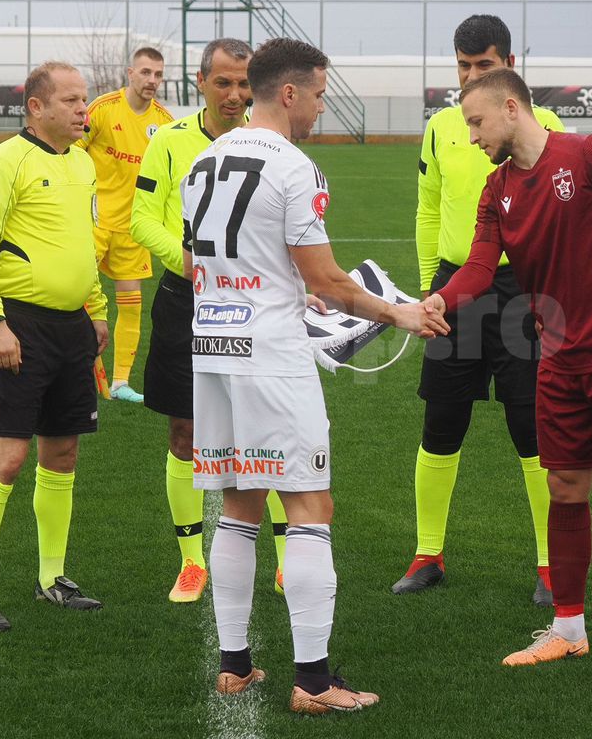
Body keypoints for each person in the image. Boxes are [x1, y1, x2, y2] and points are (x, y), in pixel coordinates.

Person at [183, 37, 446, 713]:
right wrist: (401, 312)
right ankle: (314, 682)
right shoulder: (296, 168)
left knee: (240, 504)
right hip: (271, 357)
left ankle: (235, 665)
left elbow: (201, 264)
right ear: (291, 92)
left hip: (213, 348)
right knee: (309, 506)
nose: (324, 110)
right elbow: (327, 277)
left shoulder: (205, 159)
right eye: (322, 96)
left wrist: (291, 290)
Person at [424, 68, 592, 682]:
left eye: (477, 122)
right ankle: (569, 628)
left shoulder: (589, 156)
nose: (472, 136)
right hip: (558, 358)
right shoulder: (496, 191)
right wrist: (439, 300)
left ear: (511, 109)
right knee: (565, 487)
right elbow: (481, 270)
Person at [398, 14, 561, 605]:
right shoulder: (443, 128)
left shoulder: (546, 126)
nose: (471, 77)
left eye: (483, 66)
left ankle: (550, 565)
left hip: (525, 293)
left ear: (509, 65)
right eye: (463, 66)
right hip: (454, 289)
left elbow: (560, 223)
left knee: (533, 427)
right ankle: (427, 554)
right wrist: (426, 291)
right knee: (442, 421)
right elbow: (428, 210)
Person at [0, 61, 110, 631]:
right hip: (19, 326)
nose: (81, 109)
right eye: (69, 100)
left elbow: (81, 245)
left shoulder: (85, 163)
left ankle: (52, 578)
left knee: (62, 455)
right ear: (36, 108)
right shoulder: (5, 163)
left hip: (72, 327)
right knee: (8, 457)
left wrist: (96, 310)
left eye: (83, 99)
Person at [131, 38, 291, 603]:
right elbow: (141, 219)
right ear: (200, 82)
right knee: (185, 434)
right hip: (186, 299)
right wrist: (187, 257)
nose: (236, 94)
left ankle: (283, 558)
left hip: (253, 302)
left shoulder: (271, 142)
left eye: (245, 83)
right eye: (223, 82)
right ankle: (192, 561)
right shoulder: (169, 142)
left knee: (263, 428)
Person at [77, 47, 174, 403]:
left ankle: (120, 383)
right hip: (94, 222)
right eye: (146, 72)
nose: (152, 81)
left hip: (134, 228)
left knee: (131, 305)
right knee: (74, 299)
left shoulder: (164, 122)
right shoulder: (102, 109)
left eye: (159, 75)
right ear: (130, 72)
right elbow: (72, 151)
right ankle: (73, 369)